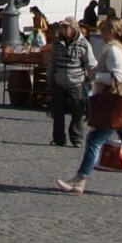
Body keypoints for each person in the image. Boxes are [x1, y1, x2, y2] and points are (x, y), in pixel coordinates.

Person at [57, 18, 122, 199]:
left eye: (102, 29)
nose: (100, 33)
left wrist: (96, 76)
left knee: (94, 140)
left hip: (116, 105)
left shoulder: (114, 50)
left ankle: (80, 180)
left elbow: (119, 77)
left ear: (111, 31)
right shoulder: (121, 49)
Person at [44, 18, 94, 148]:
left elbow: (91, 63)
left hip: (76, 82)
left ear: (73, 28)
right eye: (63, 27)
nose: (63, 29)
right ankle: (58, 138)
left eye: (66, 27)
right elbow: (52, 62)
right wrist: (49, 76)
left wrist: (91, 79)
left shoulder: (83, 44)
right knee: (58, 113)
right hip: (59, 81)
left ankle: (76, 137)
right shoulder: (57, 43)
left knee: (78, 112)